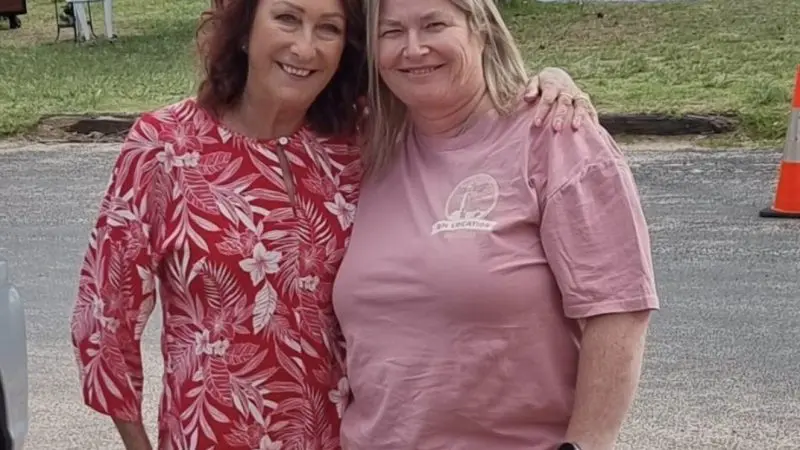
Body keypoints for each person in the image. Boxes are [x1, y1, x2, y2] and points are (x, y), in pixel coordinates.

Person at [68, 0, 598, 449]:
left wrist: (549, 80)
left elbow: (455, 97)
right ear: (244, 30)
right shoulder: (165, 145)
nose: (305, 47)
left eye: (329, 29)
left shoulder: (359, 141)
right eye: (286, 19)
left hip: (345, 435)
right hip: (211, 433)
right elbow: (104, 317)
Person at [331, 0, 660, 449]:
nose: (414, 48)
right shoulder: (363, 147)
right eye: (391, 32)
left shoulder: (554, 134)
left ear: (481, 28)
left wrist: (586, 444)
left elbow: (619, 308)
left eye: (435, 25)